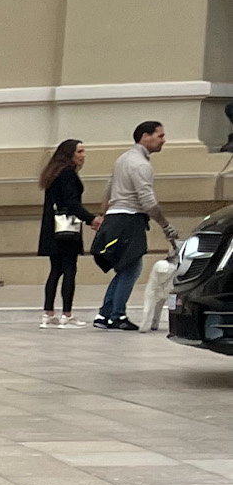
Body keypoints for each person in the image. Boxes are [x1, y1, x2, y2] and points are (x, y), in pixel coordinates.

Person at [91, 120, 175, 330]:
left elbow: (109, 188)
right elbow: (148, 202)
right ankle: (117, 316)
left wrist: (103, 214)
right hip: (129, 219)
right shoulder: (140, 164)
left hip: (116, 217)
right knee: (132, 268)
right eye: (160, 135)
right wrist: (166, 226)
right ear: (145, 137)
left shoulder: (123, 159)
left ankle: (105, 314)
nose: (164, 140)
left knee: (124, 268)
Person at [37, 139, 92, 328]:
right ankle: (66, 314)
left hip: (51, 228)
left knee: (55, 270)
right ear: (69, 154)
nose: (83, 155)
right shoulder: (68, 174)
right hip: (67, 228)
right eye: (80, 151)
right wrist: (91, 218)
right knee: (69, 269)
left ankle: (48, 313)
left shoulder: (53, 174)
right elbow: (72, 203)